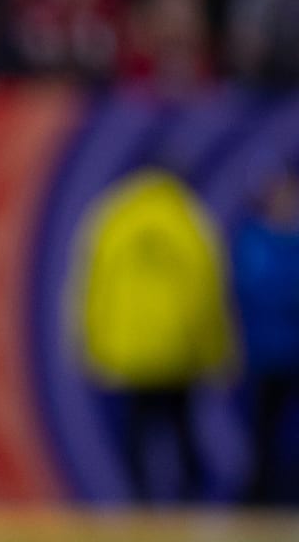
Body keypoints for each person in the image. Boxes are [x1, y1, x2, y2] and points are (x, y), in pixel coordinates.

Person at [66, 164, 234, 502]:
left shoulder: (116, 218)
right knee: (182, 428)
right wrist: (216, 353)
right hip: (179, 350)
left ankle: (138, 507)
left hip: (130, 351)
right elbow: (209, 294)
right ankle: (189, 503)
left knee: (136, 432)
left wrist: (91, 346)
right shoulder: (189, 220)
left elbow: (92, 290)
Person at [230, 162, 299, 504]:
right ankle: (258, 504)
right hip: (266, 356)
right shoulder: (254, 239)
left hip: (292, 353)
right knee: (263, 437)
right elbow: (252, 291)